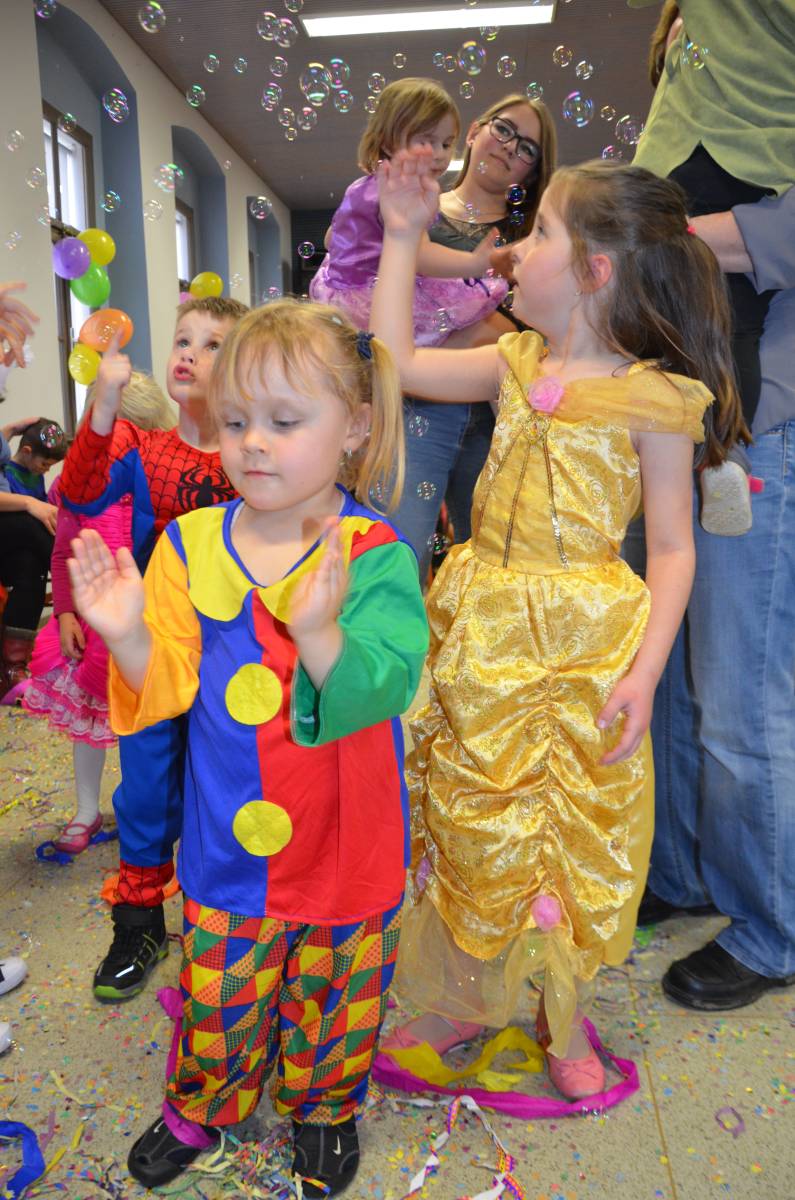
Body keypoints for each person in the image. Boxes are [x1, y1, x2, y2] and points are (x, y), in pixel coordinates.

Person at [370, 150, 743, 1099]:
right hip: (487, 632)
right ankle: (463, 997)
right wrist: (403, 235)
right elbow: (397, 362)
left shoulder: (656, 399)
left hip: (586, 646)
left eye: (539, 232)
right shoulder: (512, 362)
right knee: (473, 812)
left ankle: (563, 1013)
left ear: (592, 270)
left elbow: (673, 549)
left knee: (572, 831)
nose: (514, 248)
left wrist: (643, 672)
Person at [68, 300, 428, 1195]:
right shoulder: (190, 544)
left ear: (355, 428)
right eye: (234, 423)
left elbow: (388, 682)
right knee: (222, 985)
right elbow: (165, 685)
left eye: (284, 421)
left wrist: (321, 634)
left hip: (346, 838)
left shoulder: (372, 549)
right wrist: (126, 633)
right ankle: (202, 1104)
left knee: (337, 989)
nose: (253, 444)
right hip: (230, 836)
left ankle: (324, 1105)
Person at [59, 295, 247, 1001]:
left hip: (233, 652)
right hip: (149, 646)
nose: (190, 352)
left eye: (213, 343)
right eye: (183, 339)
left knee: (225, 785)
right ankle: (138, 924)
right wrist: (103, 403)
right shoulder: (145, 448)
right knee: (144, 789)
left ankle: (222, 922)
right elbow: (80, 491)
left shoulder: (253, 452)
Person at [632, 0, 795, 534]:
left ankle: (717, 453)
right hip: (741, 161)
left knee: (681, 328)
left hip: (707, 162)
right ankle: (724, 455)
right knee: (729, 324)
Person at [393, 92, 557, 581]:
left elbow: (536, 333)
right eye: (504, 130)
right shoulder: (411, 210)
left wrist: (447, 339)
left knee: (492, 570)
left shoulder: (535, 238)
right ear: (473, 131)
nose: (509, 147)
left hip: (496, 417)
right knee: (397, 560)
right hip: (409, 410)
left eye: (527, 148)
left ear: (532, 172)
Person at [23, 374, 175, 854]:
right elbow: (61, 552)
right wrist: (65, 613)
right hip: (91, 625)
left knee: (147, 728)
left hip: (152, 620)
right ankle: (87, 809)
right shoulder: (78, 487)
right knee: (88, 722)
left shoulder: (161, 480)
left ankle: (147, 810)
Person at [310, 77, 508, 348]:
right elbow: (421, 257)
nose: (439, 154)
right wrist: (474, 263)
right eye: (427, 141)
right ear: (388, 142)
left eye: (447, 144)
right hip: (370, 301)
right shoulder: (402, 196)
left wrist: (353, 258)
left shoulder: (360, 186)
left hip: (337, 293)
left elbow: (330, 238)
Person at [0, 419, 62, 701]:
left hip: (16, 547)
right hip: (9, 532)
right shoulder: (11, 470)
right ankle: (70, 577)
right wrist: (30, 504)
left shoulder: (29, 472)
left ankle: (13, 667)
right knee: (32, 524)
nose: (45, 470)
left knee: (32, 567)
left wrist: (12, 429)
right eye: (44, 464)